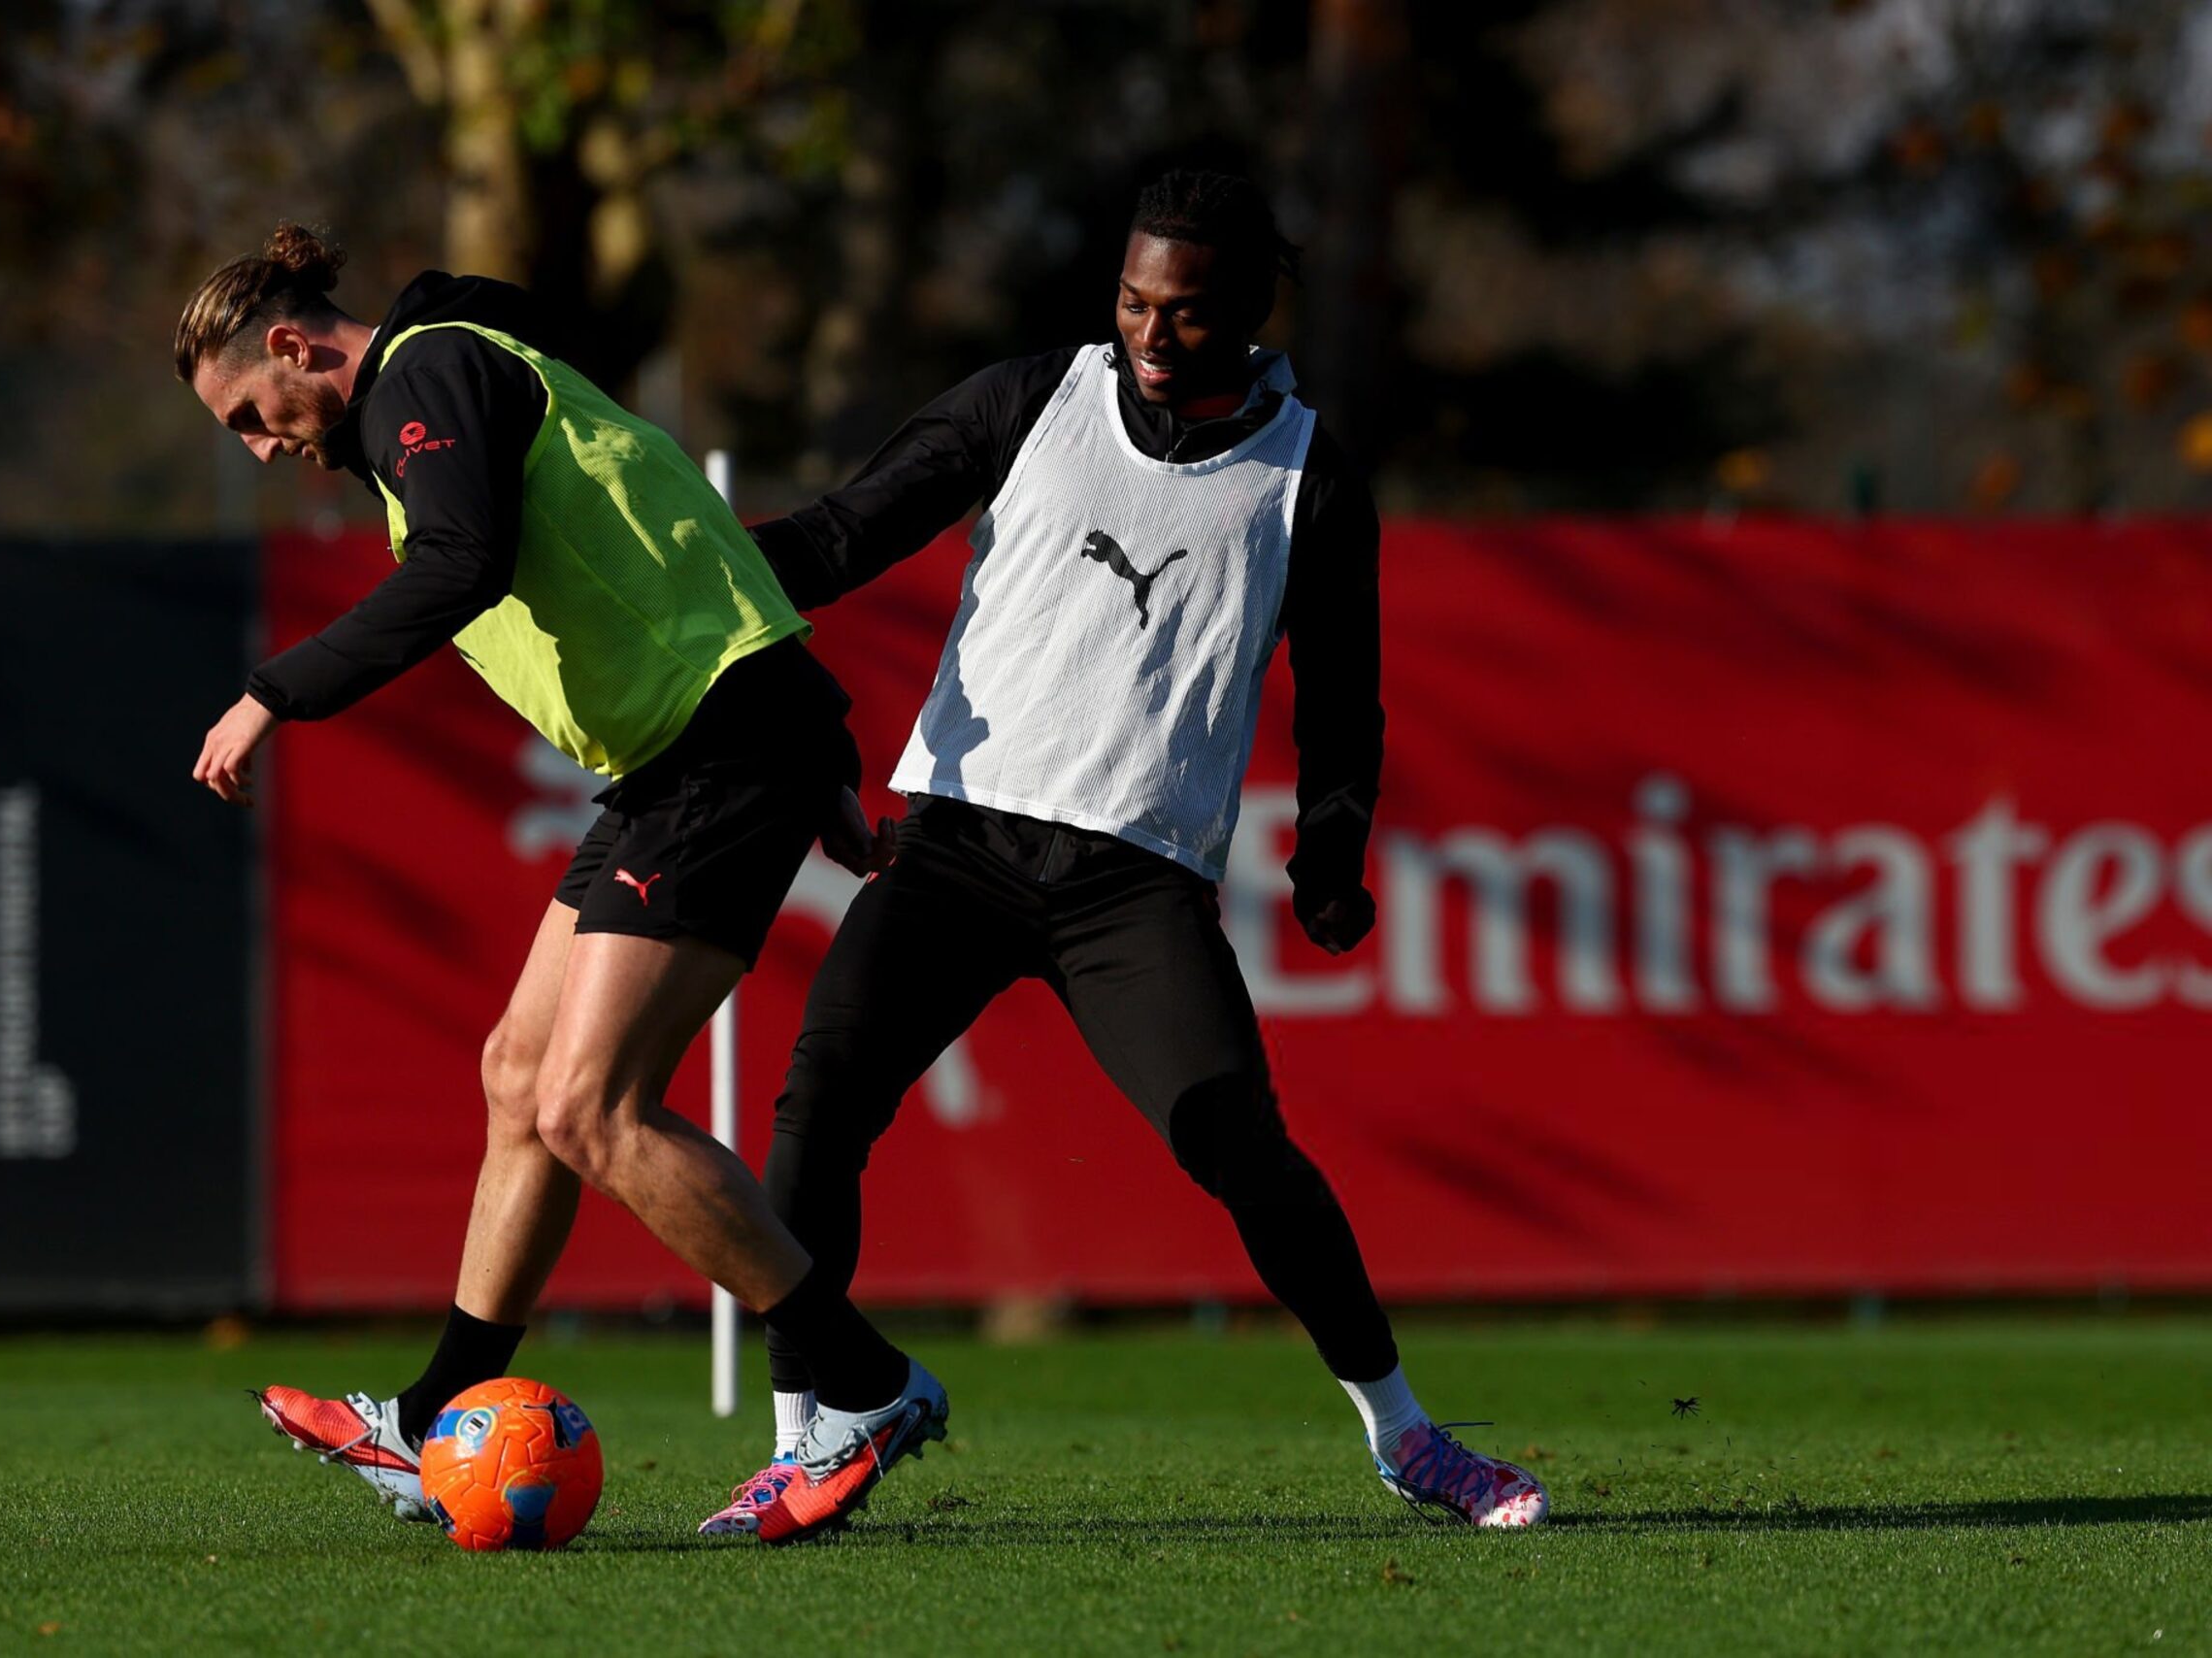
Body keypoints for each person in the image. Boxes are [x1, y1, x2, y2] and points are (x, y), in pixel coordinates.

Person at [702, 172, 1545, 1536]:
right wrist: (689, 572)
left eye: (1188, 314)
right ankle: (810, 1439)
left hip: (1129, 885)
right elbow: (844, 533)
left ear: (1253, 314)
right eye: (1134, 303)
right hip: (956, 849)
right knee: (815, 1116)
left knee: (1242, 1151)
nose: (1153, 335)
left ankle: (1408, 1438)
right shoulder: (1028, 401)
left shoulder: (1309, 476)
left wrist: (1331, 855)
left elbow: (1343, 699)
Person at [173, 224, 942, 1545]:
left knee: (593, 1106)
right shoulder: (453, 375)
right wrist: (819, 749)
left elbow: (458, 566)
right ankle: (440, 1415)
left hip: (717, 748)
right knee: (520, 1080)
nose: (261, 445)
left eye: (253, 411)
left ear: (296, 346)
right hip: (690, 752)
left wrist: (272, 692)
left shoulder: (426, 374)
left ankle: (864, 1384)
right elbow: (684, 543)